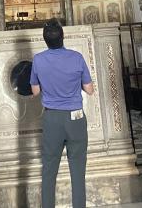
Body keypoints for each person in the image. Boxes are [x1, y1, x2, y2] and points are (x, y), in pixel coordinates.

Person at [30, 20, 94, 208]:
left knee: (49, 169)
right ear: (63, 36)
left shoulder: (39, 60)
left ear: (45, 40)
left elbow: (35, 91)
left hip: (52, 118)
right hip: (75, 118)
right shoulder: (77, 57)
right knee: (78, 169)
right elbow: (89, 89)